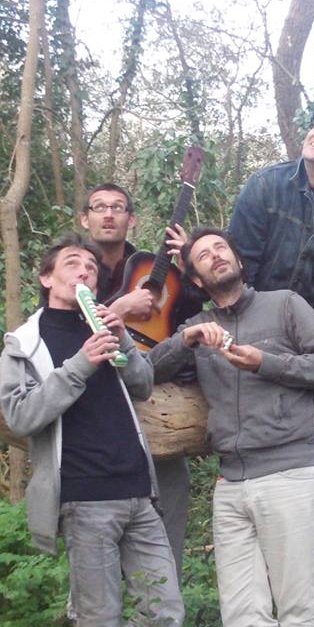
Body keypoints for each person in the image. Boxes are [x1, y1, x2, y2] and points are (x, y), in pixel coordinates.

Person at [166, 109, 314, 497]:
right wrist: (269, 324)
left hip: (311, 301)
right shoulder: (266, 185)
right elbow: (242, 264)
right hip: (259, 299)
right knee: (302, 353)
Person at [150, 227, 314, 627]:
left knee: (297, 613)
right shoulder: (196, 328)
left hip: (289, 474)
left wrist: (265, 361)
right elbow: (144, 371)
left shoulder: (285, 304)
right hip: (230, 485)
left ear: (237, 260)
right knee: (242, 620)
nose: (216, 256)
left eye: (221, 248)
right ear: (195, 279)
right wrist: (184, 341)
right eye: (203, 255)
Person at [0, 233, 183, 627]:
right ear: (47, 278)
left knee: (165, 614)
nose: (85, 272)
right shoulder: (25, 342)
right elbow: (20, 416)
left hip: (140, 492)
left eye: (92, 269)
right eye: (73, 265)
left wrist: (123, 343)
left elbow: (141, 386)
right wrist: (80, 364)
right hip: (85, 499)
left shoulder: (102, 324)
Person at [81, 183, 193, 578]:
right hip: (95, 414)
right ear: (85, 218)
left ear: (132, 219)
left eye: (118, 207)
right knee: (97, 540)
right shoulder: (72, 270)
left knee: (169, 508)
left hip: (155, 398)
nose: (108, 214)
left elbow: (193, 314)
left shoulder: (150, 266)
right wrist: (120, 308)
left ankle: (167, 623)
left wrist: (191, 263)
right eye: (99, 207)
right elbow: (60, 333)